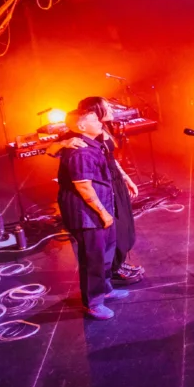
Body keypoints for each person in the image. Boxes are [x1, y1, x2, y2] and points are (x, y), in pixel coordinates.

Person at [48, 96, 144, 285]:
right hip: (99, 184)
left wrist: (125, 177)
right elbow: (50, 150)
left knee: (123, 226)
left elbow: (111, 159)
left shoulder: (102, 129)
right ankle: (113, 269)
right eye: (106, 107)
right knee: (110, 228)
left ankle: (116, 264)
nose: (110, 109)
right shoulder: (79, 134)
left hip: (113, 180)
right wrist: (62, 144)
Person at [56, 109, 130, 319]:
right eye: (94, 120)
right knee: (93, 259)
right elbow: (84, 187)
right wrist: (103, 214)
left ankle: (105, 289)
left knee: (106, 254)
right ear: (80, 127)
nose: (100, 122)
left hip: (101, 209)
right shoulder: (80, 152)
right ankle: (93, 303)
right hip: (87, 215)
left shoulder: (92, 144)